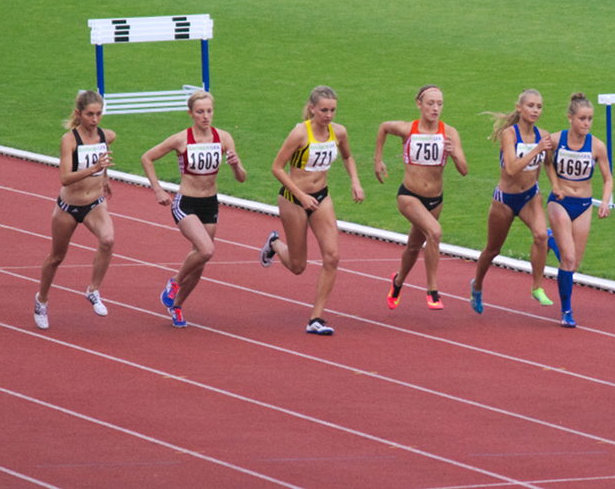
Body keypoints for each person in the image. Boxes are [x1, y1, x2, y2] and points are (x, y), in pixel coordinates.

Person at [258, 85, 364, 335]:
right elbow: (277, 168)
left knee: (332, 256)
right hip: (293, 199)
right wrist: (301, 195)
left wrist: (355, 182)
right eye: (324, 110)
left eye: (333, 110)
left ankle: (316, 318)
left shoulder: (339, 132)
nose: (329, 115)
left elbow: (348, 157)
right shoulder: (300, 134)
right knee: (298, 266)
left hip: (321, 198)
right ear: (312, 108)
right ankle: (274, 244)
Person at [141, 90, 246, 327]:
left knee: (200, 262)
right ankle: (174, 282)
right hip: (186, 203)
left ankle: (177, 305)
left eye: (209, 111)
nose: (206, 116)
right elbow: (147, 157)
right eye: (200, 112)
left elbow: (241, 178)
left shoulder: (224, 138)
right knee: (206, 250)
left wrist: (237, 166)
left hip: (210, 203)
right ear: (191, 114)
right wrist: (157, 189)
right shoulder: (181, 139)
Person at [374, 85, 468, 310]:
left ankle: (397, 282)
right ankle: (433, 290)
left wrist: (454, 152)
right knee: (434, 232)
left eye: (439, 104)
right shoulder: (408, 129)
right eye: (430, 103)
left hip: (435, 200)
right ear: (419, 104)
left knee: (414, 246)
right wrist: (378, 160)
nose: (435, 108)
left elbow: (464, 170)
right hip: (409, 196)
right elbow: (384, 127)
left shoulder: (449, 133)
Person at [33, 91, 116, 330]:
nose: (95, 119)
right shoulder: (69, 140)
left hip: (94, 204)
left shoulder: (106, 136)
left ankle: (93, 290)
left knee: (108, 239)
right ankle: (42, 300)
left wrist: (105, 176)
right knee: (57, 257)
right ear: (79, 114)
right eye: (90, 114)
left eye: (99, 114)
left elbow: (105, 158)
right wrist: (95, 169)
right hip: (68, 207)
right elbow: (65, 178)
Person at [470, 89, 554, 314]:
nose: (536, 110)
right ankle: (477, 285)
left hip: (530, 197)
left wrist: (553, 184)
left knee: (541, 235)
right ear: (520, 108)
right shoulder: (510, 134)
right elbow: (512, 168)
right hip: (505, 200)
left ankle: (537, 286)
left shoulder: (543, 135)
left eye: (539, 106)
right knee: (492, 250)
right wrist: (537, 149)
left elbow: (547, 163)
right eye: (531, 106)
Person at [544, 92, 613, 327]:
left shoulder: (597, 146)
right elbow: (545, 161)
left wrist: (604, 201)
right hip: (559, 202)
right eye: (582, 118)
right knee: (569, 258)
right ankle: (566, 311)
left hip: (583, 205)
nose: (586, 123)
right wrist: (554, 184)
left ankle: (550, 240)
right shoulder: (555, 140)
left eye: (590, 119)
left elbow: (608, 178)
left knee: (574, 263)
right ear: (570, 118)